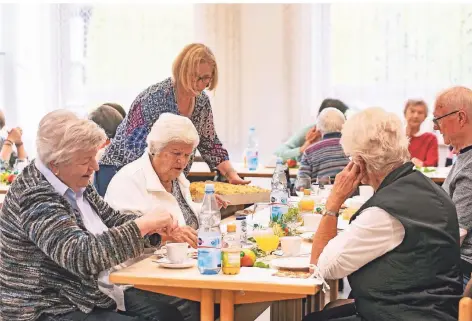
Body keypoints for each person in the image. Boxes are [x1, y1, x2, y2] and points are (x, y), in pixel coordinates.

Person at [0, 109, 186, 321]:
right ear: (56, 164)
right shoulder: (35, 195)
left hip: (85, 295)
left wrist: (155, 231)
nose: (95, 166)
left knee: (168, 315)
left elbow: (113, 220)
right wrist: (143, 225)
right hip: (47, 307)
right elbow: (82, 256)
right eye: (86, 160)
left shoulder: (75, 181)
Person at [304, 107, 462, 321]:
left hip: (404, 313)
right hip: (435, 307)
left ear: (359, 161)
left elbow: (321, 267)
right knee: (328, 311)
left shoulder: (384, 213)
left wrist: (334, 202)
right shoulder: (424, 186)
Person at [95, 43, 248, 197]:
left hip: (162, 179)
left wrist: (231, 174)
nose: (199, 83)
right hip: (119, 173)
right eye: (195, 76)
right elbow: (135, 150)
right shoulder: (153, 98)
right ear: (182, 71)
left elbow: (210, 143)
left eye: (205, 78)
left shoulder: (202, 103)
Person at [105, 113, 228, 248]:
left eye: (187, 155)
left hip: (181, 262)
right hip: (142, 266)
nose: (182, 161)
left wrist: (207, 206)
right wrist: (167, 237)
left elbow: (186, 219)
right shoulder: (127, 181)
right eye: (176, 153)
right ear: (155, 148)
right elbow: (123, 236)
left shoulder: (177, 179)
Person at [435, 86, 472, 287]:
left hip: (461, 270)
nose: (435, 127)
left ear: (460, 118)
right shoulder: (463, 156)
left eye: (438, 119)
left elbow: (454, 236)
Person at [274, 98, 349, 162]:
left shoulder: (347, 133)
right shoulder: (310, 131)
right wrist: (303, 148)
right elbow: (278, 154)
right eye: (344, 116)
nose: (346, 120)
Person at [297, 107, 349, 182]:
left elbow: (302, 184)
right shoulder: (353, 148)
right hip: (352, 193)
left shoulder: (310, 152)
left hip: (322, 193)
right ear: (344, 125)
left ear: (318, 128)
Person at [404, 99, 439, 167]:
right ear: (405, 113)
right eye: (412, 111)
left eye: (420, 113)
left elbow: (432, 164)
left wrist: (422, 164)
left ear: (425, 117)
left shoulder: (430, 139)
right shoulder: (395, 137)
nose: (415, 116)